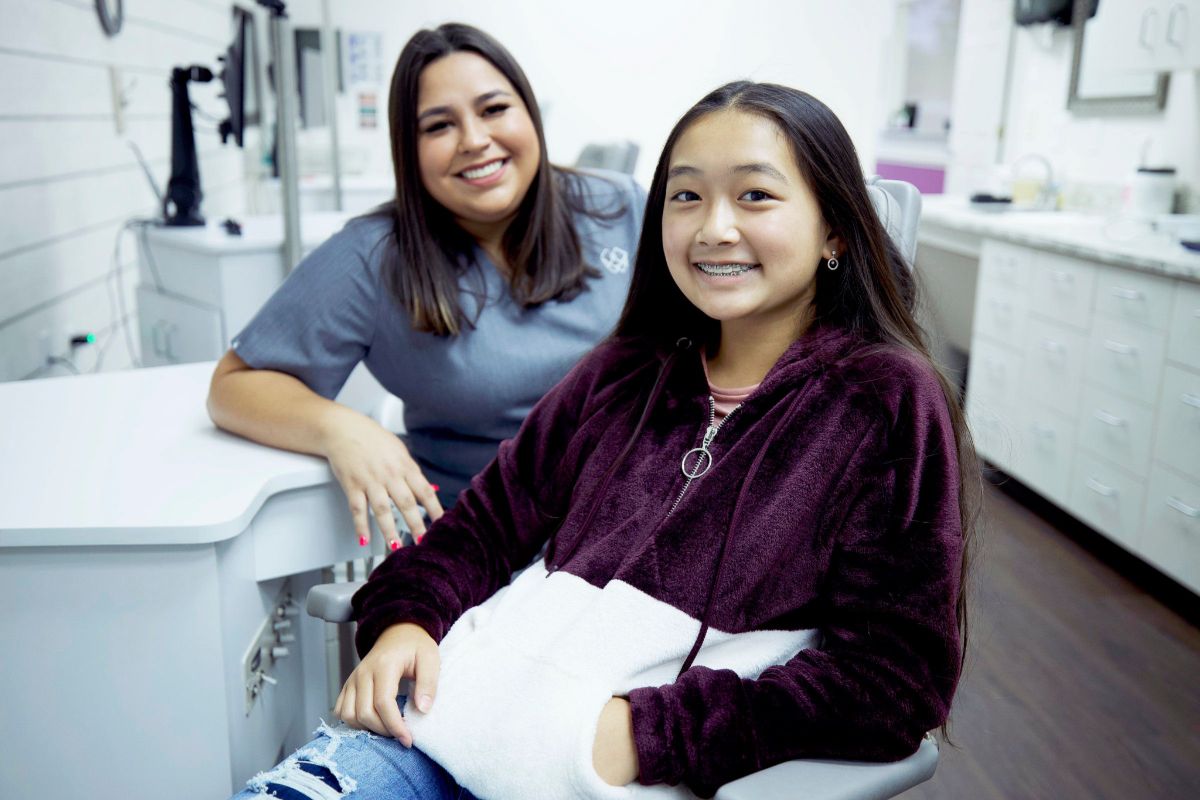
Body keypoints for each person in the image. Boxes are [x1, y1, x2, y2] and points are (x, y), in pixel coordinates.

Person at [234, 81, 977, 800]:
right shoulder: (627, 370)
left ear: (835, 229)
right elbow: (484, 529)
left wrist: (644, 735)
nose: (714, 227)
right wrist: (405, 620)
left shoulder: (881, 402)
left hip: (595, 771)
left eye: (755, 194)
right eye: (686, 196)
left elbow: (893, 678)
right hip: (441, 726)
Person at [207, 23, 645, 549]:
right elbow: (233, 386)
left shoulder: (619, 206)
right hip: (486, 548)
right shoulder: (372, 258)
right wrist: (338, 427)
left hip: (638, 519)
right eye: (439, 126)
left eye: (494, 109)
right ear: (408, 149)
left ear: (529, 112)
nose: (475, 141)